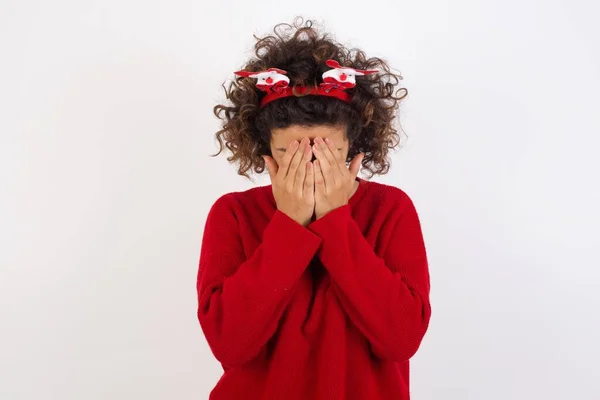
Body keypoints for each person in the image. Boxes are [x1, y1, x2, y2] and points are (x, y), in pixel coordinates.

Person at [196, 17, 431, 400]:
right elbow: (230, 345)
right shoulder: (233, 214)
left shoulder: (391, 209)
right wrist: (289, 223)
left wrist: (336, 221)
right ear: (266, 151)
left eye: (326, 152)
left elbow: (401, 340)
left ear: (353, 150)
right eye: (290, 153)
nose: (309, 167)